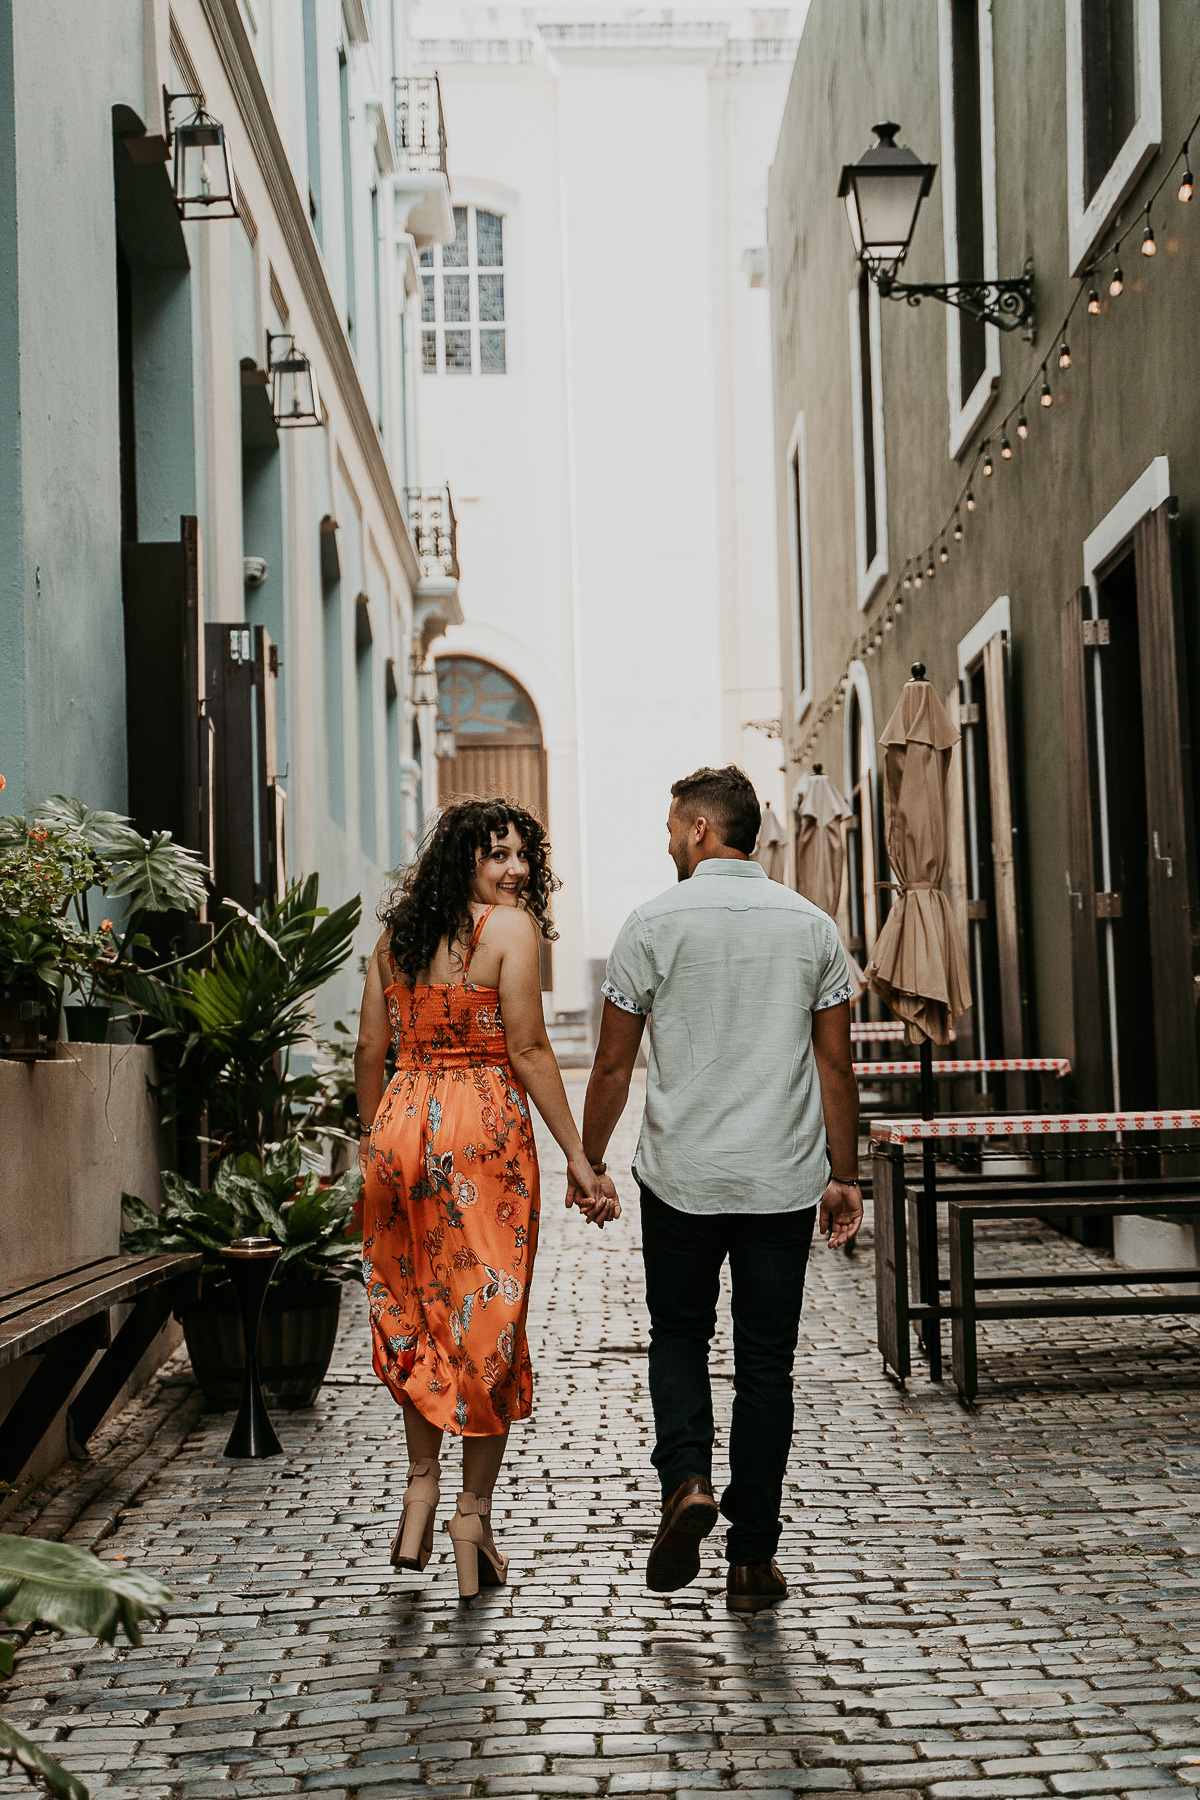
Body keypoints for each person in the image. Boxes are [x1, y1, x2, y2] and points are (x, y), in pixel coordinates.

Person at [573, 765, 862, 1613]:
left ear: (702, 831)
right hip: (779, 1178)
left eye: (673, 827)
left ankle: (687, 1480)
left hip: (683, 1179)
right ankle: (752, 1559)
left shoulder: (651, 924)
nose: (667, 841)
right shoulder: (814, 928)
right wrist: (844, 1176)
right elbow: (836, 1064)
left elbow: (614, 1064)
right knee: (767, 1366)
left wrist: (587, 1159)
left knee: (679, 1336)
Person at [355, 798, 619, 1600]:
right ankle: (470, 1515)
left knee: (415, 1311)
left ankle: (419, 1491)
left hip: (400, 1118)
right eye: (497, 856)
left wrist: (378, 1144)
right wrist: (580, 1155)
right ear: (463, 859)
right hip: (482, 1131)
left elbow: (372, 1049)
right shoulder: (509, 932)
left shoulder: (392, 941)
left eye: (522, 859)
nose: (514, 872)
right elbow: (530, 1046)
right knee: (486, 1319)